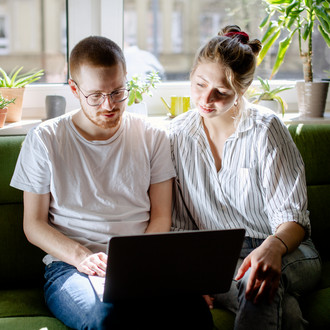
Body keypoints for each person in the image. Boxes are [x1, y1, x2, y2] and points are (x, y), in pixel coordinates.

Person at [10, 36, 213, 330]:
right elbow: (34, 225)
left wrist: (137, 264)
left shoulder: (152, 136)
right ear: (74, 90)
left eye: (118, 92)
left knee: (193, 310)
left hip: (140, 264)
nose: (109, 105)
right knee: (108, 317)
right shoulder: (45, 139)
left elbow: (161, 216)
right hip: (70, 268)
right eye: (96, 96)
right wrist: (82, 257)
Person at [169, 25, 322, 330]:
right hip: (217, 258)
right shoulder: (174, 136)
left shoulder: (266, 129)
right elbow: (179, 224)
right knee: (283, 312)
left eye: (221, 93)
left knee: (258, 276)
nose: (205, 98)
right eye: (199, 84)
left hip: (286, 247)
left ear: (241, 90)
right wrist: (190, 279)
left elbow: (293, 219)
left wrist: (273, 247)